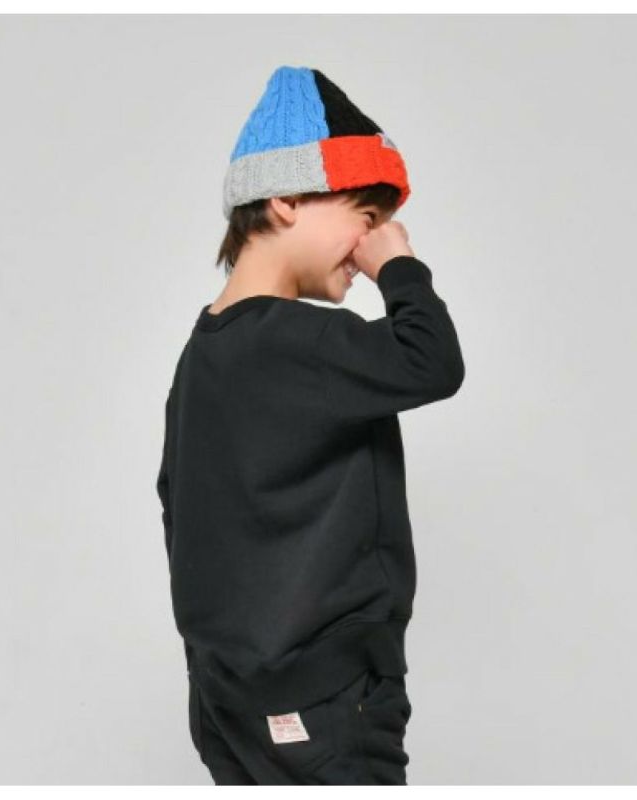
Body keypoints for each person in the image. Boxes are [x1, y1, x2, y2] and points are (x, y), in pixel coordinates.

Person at [156, 64, 465, 785]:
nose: (372, 243)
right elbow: (432, 362)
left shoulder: (203, 354)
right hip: (325, 696)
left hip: (228, 695)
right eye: (366, 218)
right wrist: (400, 269)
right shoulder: (299, 340)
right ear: (288, 199)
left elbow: (178, 503)